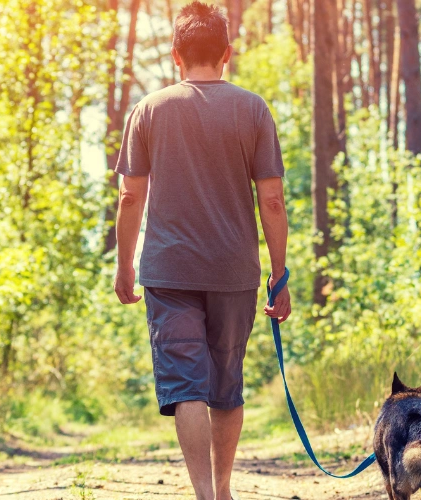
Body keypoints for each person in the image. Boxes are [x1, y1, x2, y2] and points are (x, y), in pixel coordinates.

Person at [111, 3, 291, 499]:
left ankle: (205, 497)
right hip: (235, 271)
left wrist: (124, 265)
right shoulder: (252, 108)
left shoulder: (148, 110)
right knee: (225, 384)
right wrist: (281, 273)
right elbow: (271, 201)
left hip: (168, 272)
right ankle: (225, 489)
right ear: (227, 54)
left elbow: (130, 195)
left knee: (185, 384)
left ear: (175, 55)